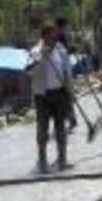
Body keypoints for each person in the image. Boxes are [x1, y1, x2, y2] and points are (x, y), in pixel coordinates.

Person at [28, 25, 73, 172]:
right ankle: (42, 159)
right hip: (43, 96)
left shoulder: (61, 51)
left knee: (61, 127)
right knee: (43, 128)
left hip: (60, 94)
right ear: (44, 37)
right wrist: (41, 57)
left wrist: (69, 91)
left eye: (55, 37)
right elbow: (28, 71)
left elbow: (67, 72)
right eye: (51, 37)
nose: (54, 40)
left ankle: (62, 159)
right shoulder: (36, 51)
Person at [55, 16, 78, 131]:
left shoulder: (61, 36)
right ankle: (69, 119)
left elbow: (65, 51)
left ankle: (71, 119)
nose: (66, 28)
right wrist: (70, 50)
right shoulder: (57, 37)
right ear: (61, 26)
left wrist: (71, 49)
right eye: (65, 26)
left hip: (65, 68)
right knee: (65, 95)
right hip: (61, 70)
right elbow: (60, 52)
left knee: (67, 95)